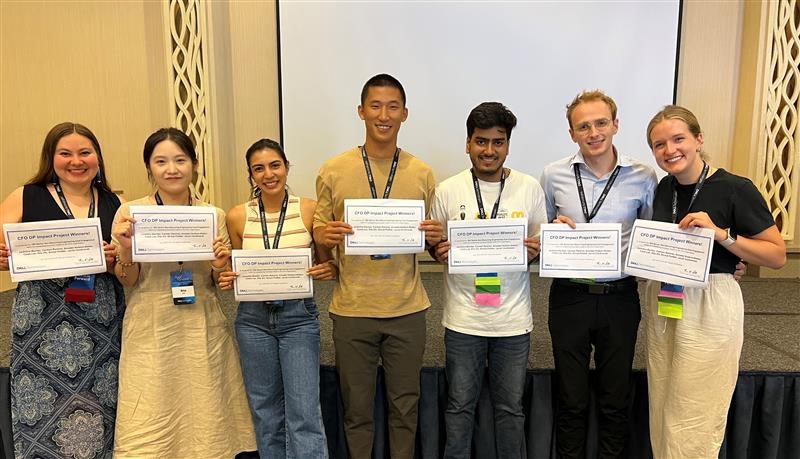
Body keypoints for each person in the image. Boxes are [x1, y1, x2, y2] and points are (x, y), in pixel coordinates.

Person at [313, 73, 443, 458]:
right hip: (352, 310)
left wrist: (434, 236)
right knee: (357, 411)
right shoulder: (334, 169)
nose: (383, 115)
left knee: (406, 406)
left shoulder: (421, 172)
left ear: (405, 113)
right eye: (375, 105)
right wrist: (324, 239)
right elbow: (320, 241)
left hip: (407, 309)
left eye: (392, 106)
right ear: (361, 111)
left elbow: (431, 240)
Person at [644, 105, 785, 458]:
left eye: (678, 139)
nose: (669, 150)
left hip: (710, 305)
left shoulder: (735, 188)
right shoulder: (664, 188)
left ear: (698, 139)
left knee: (696, 411)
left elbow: (776, 255)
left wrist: (723, 235)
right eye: (659, 145)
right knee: (662, 406)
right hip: (665, 300)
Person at [110, 127, 255, 457]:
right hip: (150, 326)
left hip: (201, 325)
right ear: (149, 168)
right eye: (160, 161)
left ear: (194, 164)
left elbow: (220, 282)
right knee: (149, 417)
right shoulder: (130, 214)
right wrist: (129, 250)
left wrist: (221, 264)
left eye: (180, 159)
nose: (171, 169)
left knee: (205, 419)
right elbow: (127, 280)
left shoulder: (213, 215)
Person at [540, 90, 658, 458]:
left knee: (615, 398)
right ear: (572, 133)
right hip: (569, 298)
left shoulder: (643, 176)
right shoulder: (553, 175)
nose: (594, 133)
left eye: (601, 123)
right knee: (571, 399)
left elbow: (652, 234)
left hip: (619, 299)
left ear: (616, 125)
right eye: (584, 126)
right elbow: (542, 230)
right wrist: (553, 233)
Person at [0, 122, 125, 458]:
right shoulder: (26, 195)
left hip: (101, 323)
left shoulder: (114, 202)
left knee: (102, 403)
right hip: (40, 322)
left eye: (85, 152)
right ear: (50, 158)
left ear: (97, 158)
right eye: (65, 153)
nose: (76, 161)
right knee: (42, 409)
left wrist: (116, 260)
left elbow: (128, 269)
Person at [430, 102, 547, 458]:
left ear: (508, 145)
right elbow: (435, 245)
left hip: (512, 322)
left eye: (498, 142)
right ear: (467, 144)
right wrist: (439, 252)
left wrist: (535, 251)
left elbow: (541, 242)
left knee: (510, 410)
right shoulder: (448, 189)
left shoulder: (529, 188)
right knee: (459, 407)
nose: (489, 150)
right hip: (463, 320)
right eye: (481, 142)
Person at [217, 138, 334, 458]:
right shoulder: (238, 216)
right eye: (259, 168)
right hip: (253, 321)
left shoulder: (309, 209)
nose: (268, 174)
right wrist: (225, 276)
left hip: (298, 318)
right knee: (265, 410)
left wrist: (329, 268)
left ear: (286, 167)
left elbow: (327, 262)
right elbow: (233, 270)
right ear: (250, 175)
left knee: (304, 411)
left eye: (275, 165)